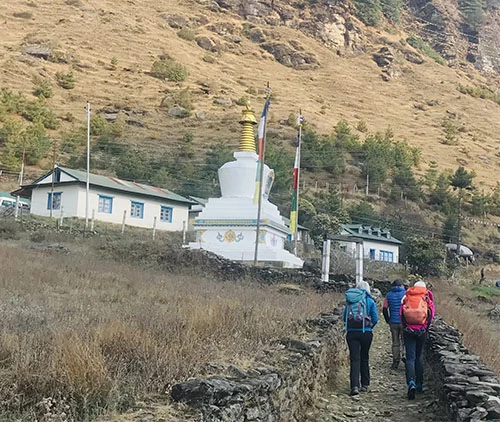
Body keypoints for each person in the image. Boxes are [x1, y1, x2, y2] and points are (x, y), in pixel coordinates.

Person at [400, 280, 435, 400]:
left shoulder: (407, 296)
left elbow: (401, 314)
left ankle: (411, 382)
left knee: (410, 358)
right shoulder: (427, 298)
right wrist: (425, 328)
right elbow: (431, 315)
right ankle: (419, 384)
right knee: (419, 356)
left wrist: (406, 327)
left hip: (408, 331)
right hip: (422, 332)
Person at [343, 281, 379, 396]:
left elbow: (345, 318)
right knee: (364, 357)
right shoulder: (370, 301)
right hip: (366, 333)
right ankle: (365, 384)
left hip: (352, 333)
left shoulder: (350, 300)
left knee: (354, 359)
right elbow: (375, 318)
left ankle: (354, 386)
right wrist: (369, 327)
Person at [383, 278, 406, 369]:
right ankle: (405, 356)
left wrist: (388, 320)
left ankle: (395, 361)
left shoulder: (388, 295)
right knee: (405, 341)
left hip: (393, 321)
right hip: (404, 322)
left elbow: (385, 309)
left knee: (395, 342)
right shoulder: (406, 294)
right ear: (401, 285)